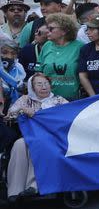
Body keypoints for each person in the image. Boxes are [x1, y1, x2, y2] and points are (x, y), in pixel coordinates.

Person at [5, 73, 68, 201]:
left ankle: (34, 185)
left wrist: (39, 115)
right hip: (30, 136)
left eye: (46, 83)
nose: (43, 86)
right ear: (32, 87)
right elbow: (9, 116)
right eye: (39, 84)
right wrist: (22, 110)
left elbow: (69, 116)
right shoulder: (25, 99)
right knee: (19, 144)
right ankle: (14, 191)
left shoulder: (59, 100)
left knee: (38, 143)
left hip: (53, 138)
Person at [35, 13, 83, 100]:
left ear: (64, 31)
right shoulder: (47, 45)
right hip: (47, 99)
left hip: (73, 100)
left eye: (51, 29)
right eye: (47, 28)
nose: (47, 31)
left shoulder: (80, 47)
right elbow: (39, 72)